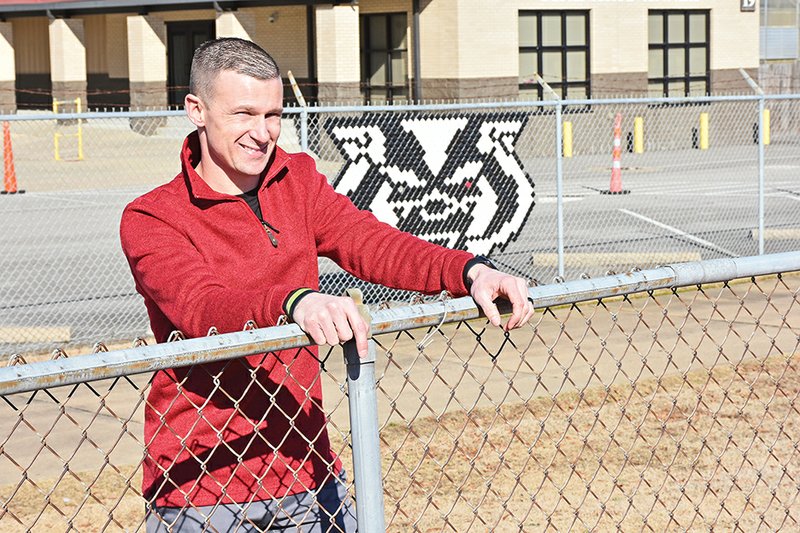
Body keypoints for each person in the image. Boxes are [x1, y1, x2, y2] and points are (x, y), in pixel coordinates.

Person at [120, 37, 534, 532]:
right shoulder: (152, 216)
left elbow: (370, 242)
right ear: (197, 110)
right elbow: (200, 307)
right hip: (205, 488)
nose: (263, 132)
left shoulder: (298, 180)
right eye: (243, 114)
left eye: (273, 114)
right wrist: (294, 301)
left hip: (306, 471)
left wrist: (469, 271)